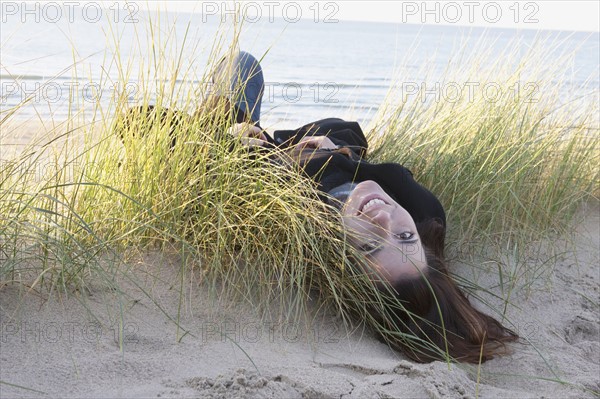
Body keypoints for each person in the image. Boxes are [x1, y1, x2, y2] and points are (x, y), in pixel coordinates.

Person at [121, 50, 518, 363]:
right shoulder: (422, 209)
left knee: (240, 68)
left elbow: (135, 122)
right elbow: (349, 132)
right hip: (298, 143)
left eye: (369, 245)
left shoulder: (296, 222)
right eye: (402, 236)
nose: (384, 218)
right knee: (249, 68)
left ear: (340, 260)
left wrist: (237, 143)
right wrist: (336, 152)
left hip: (239, 144)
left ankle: (216, 116)